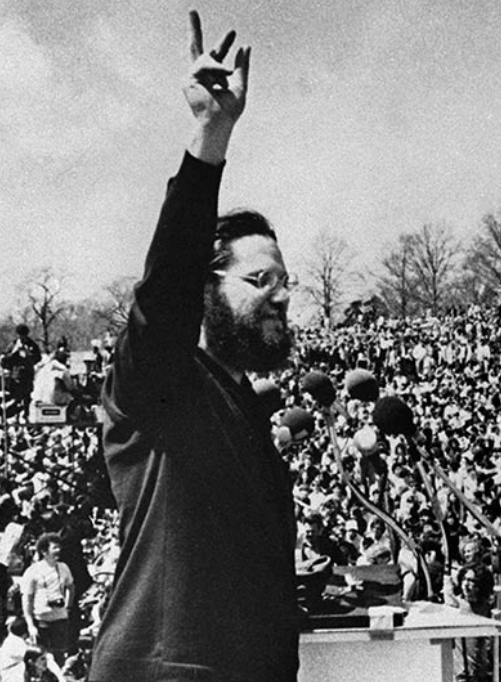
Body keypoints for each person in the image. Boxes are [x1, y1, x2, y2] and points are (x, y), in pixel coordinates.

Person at [89, 13, 299, 682]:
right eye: (260, 281)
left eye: (286, 284)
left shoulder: (245, 408)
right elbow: (167, 289)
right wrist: (211, 136)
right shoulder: (160, 382)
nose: (281, 298)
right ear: (207, 288)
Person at [21, 533, 74, 667]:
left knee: (60, 655)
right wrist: (30, 625)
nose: (59, 550)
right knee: (42, 658)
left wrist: (67, 607)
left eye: (59, 547)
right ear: (44, 552)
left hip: (60, 620)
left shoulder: (63, 567)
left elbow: (71, 588)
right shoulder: (32, 571)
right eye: (55, 548)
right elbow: (27, 599)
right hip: (41, 621)